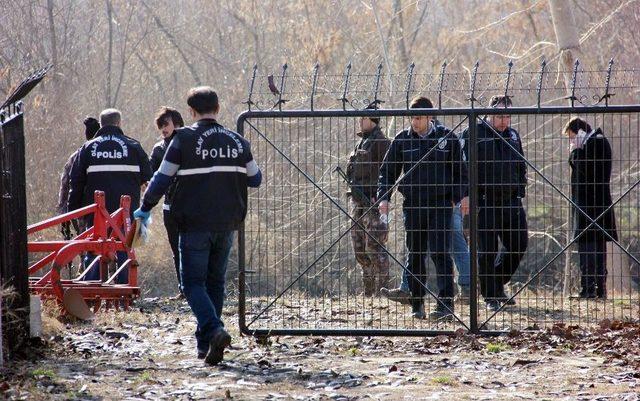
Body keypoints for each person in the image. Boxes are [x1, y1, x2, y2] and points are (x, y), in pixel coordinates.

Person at [134, 86, 262, 365]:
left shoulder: (183, 140)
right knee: (215, 282)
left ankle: (214, 331)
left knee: (192, 283)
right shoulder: (239, 141)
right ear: (217, 108)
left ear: (191, 112)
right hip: (227, 223)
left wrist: (144, 208)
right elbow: (255, 178)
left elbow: (161, 180)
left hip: (193, 224)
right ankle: (206, 345)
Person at [377, 96, 468, 320]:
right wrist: (384, 198)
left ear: (429, 117)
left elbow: (461, 172)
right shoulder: (402, 140)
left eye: (418, 118)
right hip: (413, 204)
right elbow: (387, 172)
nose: (414, 122)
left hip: (440, 204)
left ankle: (445, 304)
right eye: (412, 118)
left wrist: (460, 197)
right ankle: (417, 304)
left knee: (440, 253)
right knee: (416, 254)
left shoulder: (447, 138)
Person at [68, 108, 152, 283]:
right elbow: (148, 178)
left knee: (95, 248)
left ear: (101, 123)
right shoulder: (134, 147)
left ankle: (91, 289)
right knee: (124, 248)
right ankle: (125, 291)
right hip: (126, 213)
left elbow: (75, 182)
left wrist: (73, 212)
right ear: (119, 123)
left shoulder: (88, 148)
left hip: (97, 213)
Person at [460, 95, 528, 311]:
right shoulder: (473, 133)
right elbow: (463, 168)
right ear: (489, 114)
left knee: (518, 245)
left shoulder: (514, 135)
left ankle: (496, 284)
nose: (504, 120)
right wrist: (467, 195)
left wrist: (520, 187)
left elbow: (520, 164)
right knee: (486, 252)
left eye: (508, 116)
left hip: (511, 202)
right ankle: (490, 296)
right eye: (499, 115)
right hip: (484, 202)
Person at [564, 117, 617, 299]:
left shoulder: (594, 144)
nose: (571, 142)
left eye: (572, 138)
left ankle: (590, 289)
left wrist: (575, 152)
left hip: (589, 205)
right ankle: (597, 289)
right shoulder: (597, 142)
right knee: (596, 248)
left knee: (589, 249)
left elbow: (586, 170)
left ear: (579, 133)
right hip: (594, 205)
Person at [346, 106, 391, 295]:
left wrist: (381, 197)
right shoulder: (362, 142)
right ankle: (369, 291)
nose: (359, 121)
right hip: (358, 203)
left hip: (373, 203)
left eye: (363, 117)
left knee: (374, 247)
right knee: (359, 248)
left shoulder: (381, 142)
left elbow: (388, 174)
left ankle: (384, 291)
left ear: (372, 119)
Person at [150, 107, 185, 296]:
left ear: (177, 123)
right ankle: (183, 288)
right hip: (169, 205)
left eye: (166, 124)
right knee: (176, 248)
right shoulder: (158, 148)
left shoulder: (188, 143)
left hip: (191, 204)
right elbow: (150, 173)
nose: (163, 129)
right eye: (160, 125)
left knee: (192, 247)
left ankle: (196, 287)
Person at [57, 117, 100, 239]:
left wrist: (65, 222)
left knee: (86, 246)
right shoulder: (110, 154)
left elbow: (64, 190)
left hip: (83, 212)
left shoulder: (77, 156)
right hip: (105, 211)